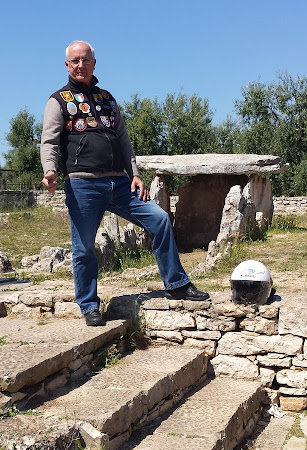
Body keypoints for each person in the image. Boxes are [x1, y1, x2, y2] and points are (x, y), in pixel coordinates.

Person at [40, 40, 209, 326]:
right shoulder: (58, 100)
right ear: (67, 66)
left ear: (94, 63)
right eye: (75, 61)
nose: (81, 65)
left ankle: (177, 284)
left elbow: (124, 142)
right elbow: (49, 141)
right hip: (83, 185)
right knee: (83, 248)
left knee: (160, 220)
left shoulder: (108, 99)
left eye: (86, 60)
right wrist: (50, 170)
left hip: (120, 184)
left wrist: (135, 175)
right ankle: (89, 305)